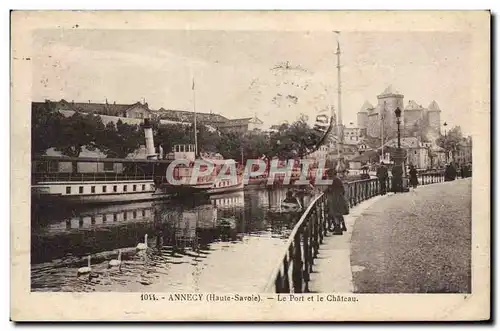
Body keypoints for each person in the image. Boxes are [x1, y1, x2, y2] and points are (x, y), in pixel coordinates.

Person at [325, 169, 349, 235]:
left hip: (335, 199)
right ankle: (342, 226)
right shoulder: (337, 179)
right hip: (340, 198)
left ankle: (338, 229)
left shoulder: (333, 180)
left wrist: (324, 192)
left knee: (335, 214)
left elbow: (328, 189)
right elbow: (343, 190)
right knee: (339, 213)